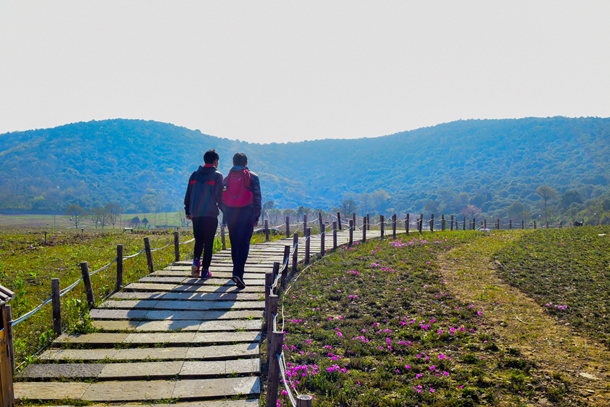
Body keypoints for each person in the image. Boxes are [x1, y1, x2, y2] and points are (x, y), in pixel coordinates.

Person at [223, 153, 262, 289]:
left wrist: (226, 214)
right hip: (247, 212)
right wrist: (256, 216)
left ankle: (236, 272)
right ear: (246, 163)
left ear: (233, 162)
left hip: (231, 213)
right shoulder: (253, 177)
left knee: (235, 243)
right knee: (243, 243)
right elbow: (257, 197)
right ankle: (238, 273)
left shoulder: (227, 177)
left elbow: (222, 198)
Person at [184, 149, 223, 279]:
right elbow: (219, 197)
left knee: (198, 240)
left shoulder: (194, 174)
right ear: (215, 161)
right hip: (210, 213)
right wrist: (226, 212)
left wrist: (188, 210)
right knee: (209, 242)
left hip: (196, 213)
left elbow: (188, 194)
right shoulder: (217, 175)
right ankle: (205, 271)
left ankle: (196, 262)